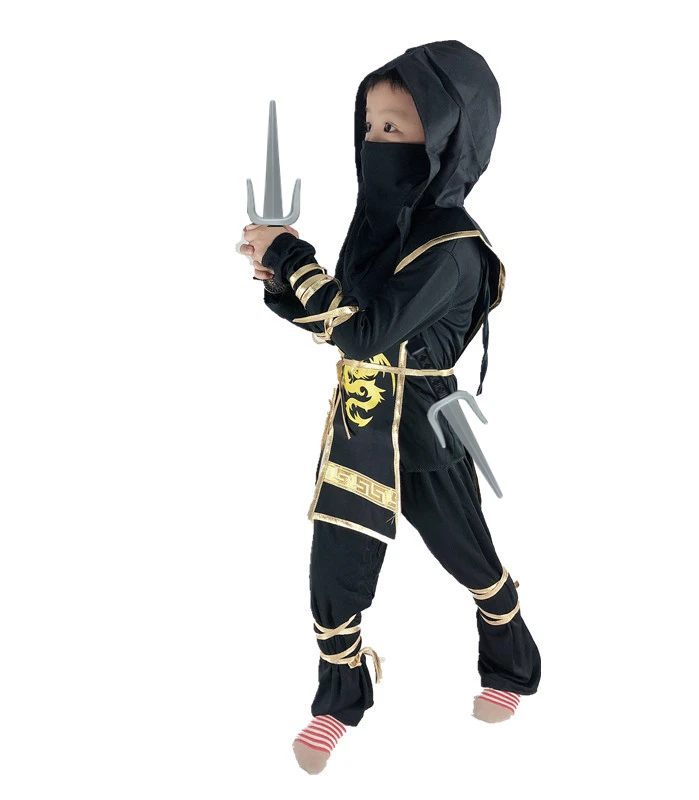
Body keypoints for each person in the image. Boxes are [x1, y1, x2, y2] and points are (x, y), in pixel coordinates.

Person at [239, 40, 541, 775]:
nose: (378, 141)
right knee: (333, 566)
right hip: (360, 421)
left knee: (468, 555)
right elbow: (339, 324)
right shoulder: (378, 235)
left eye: (396, 128)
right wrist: (280, 279)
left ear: (446, 138)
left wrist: (292, 259)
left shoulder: (454, 250)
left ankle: (510, 657)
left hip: (427, 426)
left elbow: (363, 331)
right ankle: (342, 695)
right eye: (371, 126)